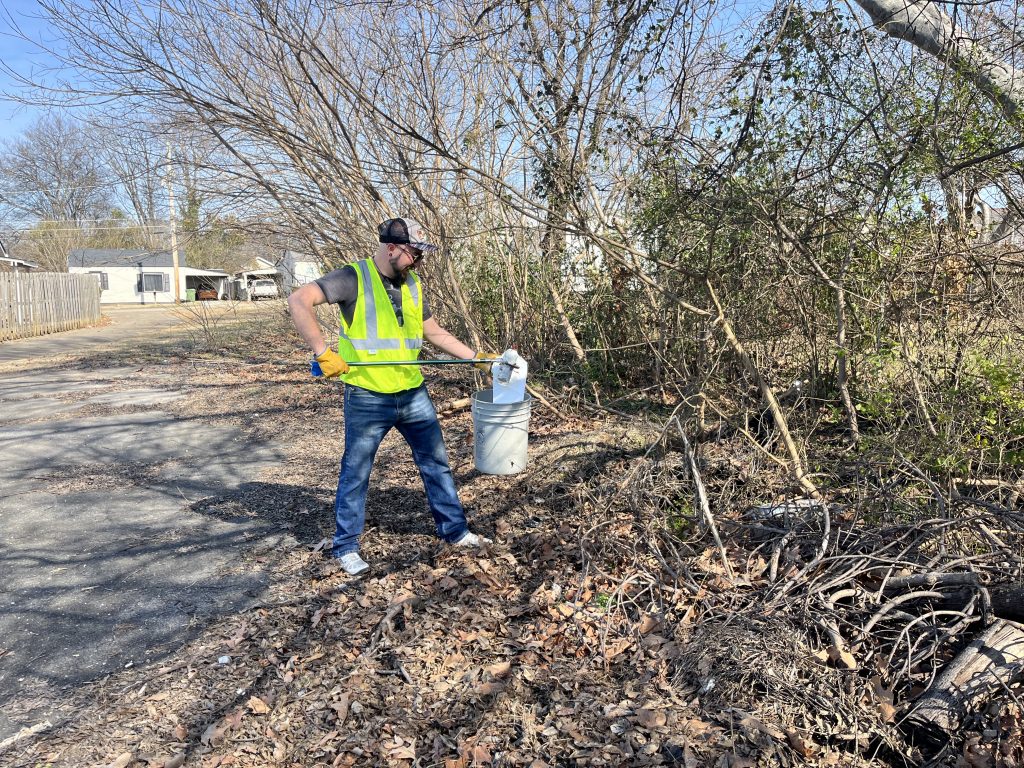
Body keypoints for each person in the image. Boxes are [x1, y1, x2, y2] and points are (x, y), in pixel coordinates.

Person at [287, 217, 493, 575]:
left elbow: (434, 332)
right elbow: (298, 300)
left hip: (412, 392)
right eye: (414, 254)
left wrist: (476, 359)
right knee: (356, 471)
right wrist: (322, 351)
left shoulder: (412, 284)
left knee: (436, 464)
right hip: (368, 395)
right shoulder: (353, 277)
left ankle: (456, 532)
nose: (418, 262)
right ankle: (346, 546)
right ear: (392, 248)